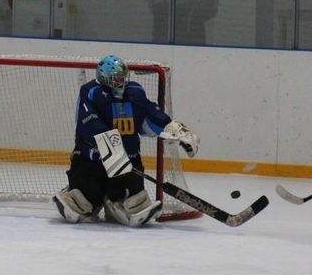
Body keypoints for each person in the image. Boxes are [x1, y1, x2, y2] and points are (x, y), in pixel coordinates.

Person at [52, 55, 201, 227]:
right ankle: (82, 194)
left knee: (133, 201)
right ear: (104, 77)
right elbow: (89, 121)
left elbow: (152, 114)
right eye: (116, 78)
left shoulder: (135, 92)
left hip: (128, 161)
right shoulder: (91, 91)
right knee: (82, 206)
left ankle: (114, 201)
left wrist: (178, 131)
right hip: (93, 160)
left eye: (123, 78)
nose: (121, 82)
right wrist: (109, 148)